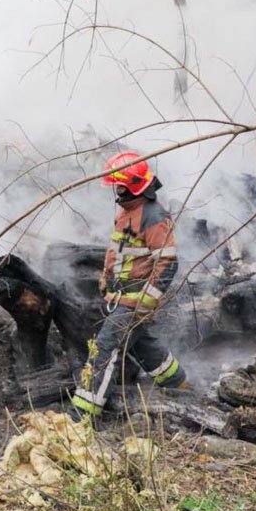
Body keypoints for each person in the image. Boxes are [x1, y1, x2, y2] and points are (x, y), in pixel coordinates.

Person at [69, 152, 188, 420]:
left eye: (119, 185)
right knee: (141, 344)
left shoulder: (155, 217)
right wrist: (105, 276)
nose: (116, 190)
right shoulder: (127, 210)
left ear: (133, 186)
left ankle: (81, 417)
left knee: (104, 349)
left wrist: (145, 303)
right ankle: (177, 384)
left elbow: (167, 264)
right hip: (120, 297)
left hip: (135, 300)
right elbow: (119, 250)